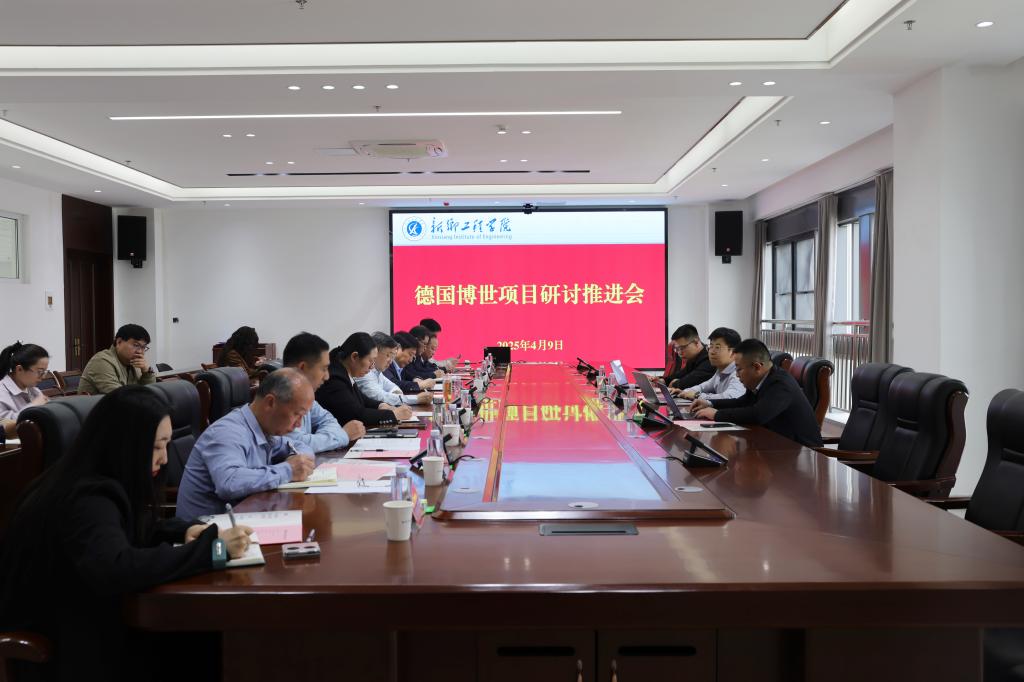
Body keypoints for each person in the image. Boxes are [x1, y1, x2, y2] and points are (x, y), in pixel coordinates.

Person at [0, 386, 253, 681]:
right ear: (125, 444)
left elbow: (129, 528)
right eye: (156, 447)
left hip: (88, 621)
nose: (164, 459)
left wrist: (185, 531)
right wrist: (213, 550)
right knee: (212, 644)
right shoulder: (87, 497)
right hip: (66, 649)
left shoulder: (86, 475)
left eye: (166, 445)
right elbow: (116, 567)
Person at [176, 369, 316, 520]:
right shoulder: (227, 432)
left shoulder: (265, 430)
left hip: (242, 519)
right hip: (206, 529)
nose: (299, 424)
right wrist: (288, 470)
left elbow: (301, 447)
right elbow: (229, 483)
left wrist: (297, 459)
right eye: (297, 414)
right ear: (270, 403)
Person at [692, 339, 823, 447]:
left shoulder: (780, 384)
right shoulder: (764, 378)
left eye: (739, 369)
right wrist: (710, 403)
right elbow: (742, 402)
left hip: (801, 452)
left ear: (757, 367)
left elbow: (758, 414)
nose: (736, 375)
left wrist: (717, 415)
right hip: (776, 444)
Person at [281, 332, 365, 452]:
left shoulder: (306, 396)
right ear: (302, 368)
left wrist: (324, 439)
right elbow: (296, 445)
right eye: (324, 369)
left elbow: (328, 420)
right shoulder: (281, 398)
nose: (327, 376)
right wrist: (343, 435)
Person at [316, 333, 414, 428]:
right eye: (370, 360)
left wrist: (381, 405)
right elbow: (357, 414)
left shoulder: (344, 370)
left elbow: (362, 399)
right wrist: (394, 414)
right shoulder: (335, 378)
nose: (372, 367)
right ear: (354, 357)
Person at [356, 332, 431, 407]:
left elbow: (392, 386)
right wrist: (416, 399)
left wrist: (397, 395)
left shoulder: (377, 371)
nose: (390, 361)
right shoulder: (364, 373)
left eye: (392, 356)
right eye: (388, 355)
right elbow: (381, 397)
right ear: (375, 353)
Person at [79, 324, 156, 394]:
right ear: (119, 342)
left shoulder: (134, 362)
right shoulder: (101, 361)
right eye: (136, 345)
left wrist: (147, 372)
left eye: (143, 347)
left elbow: (149, 393)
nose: (140, 351)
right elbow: (119, 395)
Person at [673, 327, 745, 402]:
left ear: (733, 352)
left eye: (717, 347)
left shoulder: (738, 373)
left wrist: (697, 395)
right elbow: (702, 387)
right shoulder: (720, 371)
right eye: (711, 346)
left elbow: (730, 397)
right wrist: (684, 392)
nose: (711, 352)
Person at [0, 341, 49, 437]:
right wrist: (33, 406)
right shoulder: (2, 392)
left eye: (45, 372)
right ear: (19, 369)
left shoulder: (34, 390)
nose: (43, 377)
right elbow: (3, 429)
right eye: (40, 372)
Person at [665, 324, 715, 390]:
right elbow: (681, 374)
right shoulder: (693, 358)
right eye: (677, 349)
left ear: (696, 342)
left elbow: (691, 381)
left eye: (682, 348)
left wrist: (675, 383)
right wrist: (664, 380)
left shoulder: (710, 358)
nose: (679, 353)